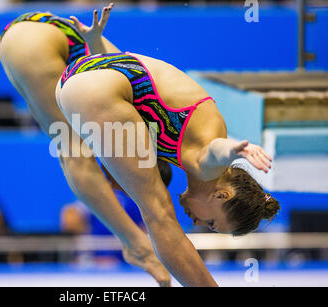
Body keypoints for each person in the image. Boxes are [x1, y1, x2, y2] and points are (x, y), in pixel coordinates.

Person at [55, 5, 280, 286]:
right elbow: (215, 152)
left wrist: (95, 42)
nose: (198, 223)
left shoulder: (197, 145)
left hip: (86, 71)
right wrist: (235, 149)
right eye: (212, 223)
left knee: (144, 189)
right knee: (158, 213)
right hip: (85, 90)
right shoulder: (209, 166)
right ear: (221, 196)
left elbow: (129, 70)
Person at [0, 4, 171, 286]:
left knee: (70, 145)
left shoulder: (125, 110)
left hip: (30, 36)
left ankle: (134, 244)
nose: (113, 181)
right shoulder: (135, 111)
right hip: (36, 39)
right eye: (120, 182)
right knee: (75, 151)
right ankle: (136, 245)